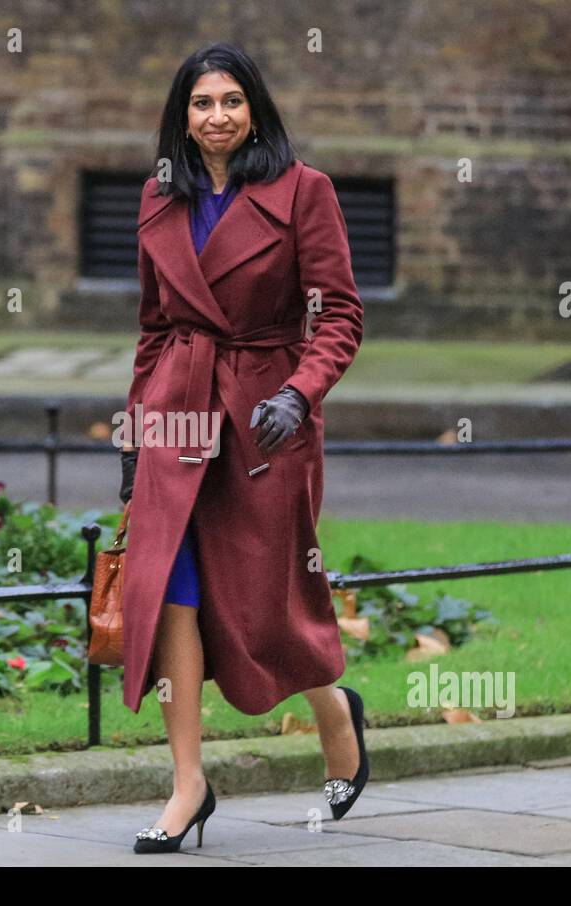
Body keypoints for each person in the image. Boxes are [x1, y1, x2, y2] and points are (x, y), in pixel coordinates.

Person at [118, 42, 368, 854]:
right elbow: (155, 329)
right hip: (176, 418)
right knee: (170, 596)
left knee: (263, 604)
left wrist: (299, 393)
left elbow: (338, 318)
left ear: (254, 108)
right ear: (182, 120)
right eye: (201, 103)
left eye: (230, 100)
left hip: (265, 420)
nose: (216, 115)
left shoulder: (304, 193)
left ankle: (335, 709)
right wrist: (134, 429)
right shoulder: (160, 200)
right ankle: (188, 784)